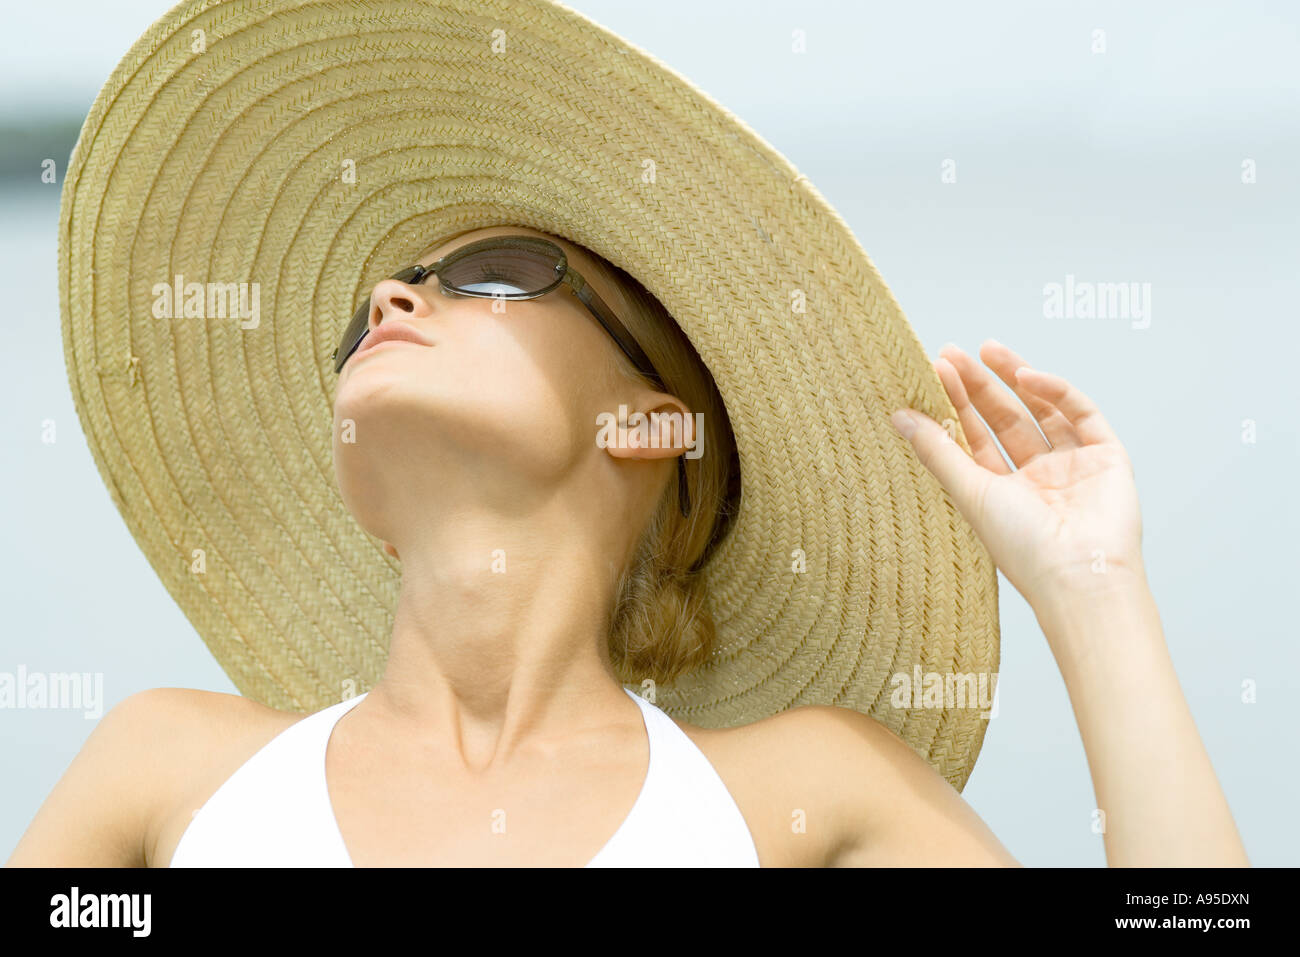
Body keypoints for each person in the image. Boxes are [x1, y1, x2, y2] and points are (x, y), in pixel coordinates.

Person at [7, 0, 1248, 867]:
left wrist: (1091, 591)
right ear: (361, 503)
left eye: (488, 271)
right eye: (370, 311)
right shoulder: (166, 773)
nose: (388, 300)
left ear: (648, 420)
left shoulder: (802, 795)